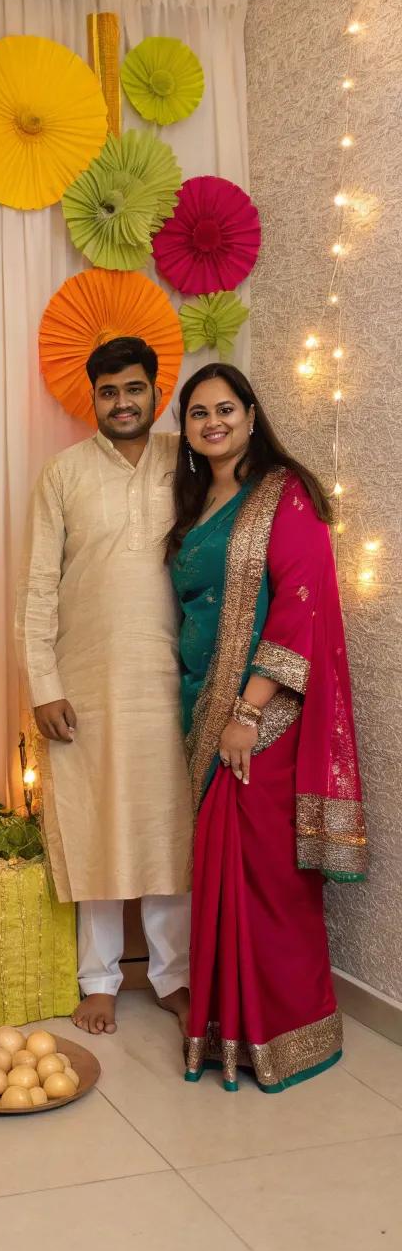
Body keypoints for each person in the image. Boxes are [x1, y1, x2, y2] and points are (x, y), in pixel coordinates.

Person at [169, 363, 366, 1091]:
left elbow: (299, 606)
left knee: (265, 878)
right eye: (198, 413)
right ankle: (230, 1035)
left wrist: (247, 712)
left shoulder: (285, 494)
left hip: (263, 721)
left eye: (226, 408)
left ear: (252, 416)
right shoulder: (196, 502)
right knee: (222, 876)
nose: (212, 421)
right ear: (186, 431)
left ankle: (288, 1033)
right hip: (201, 708)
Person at [16, 336, 193, 1035]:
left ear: (157, 392)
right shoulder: (61, 475)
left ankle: (172, 973)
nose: (122, 402)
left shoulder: (189, 462)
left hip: (172, 676)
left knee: (167, 826)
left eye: (134, 389)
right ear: (92, 398)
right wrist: (43, 684)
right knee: (95, 823)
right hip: (84, 680)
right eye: (109, 392)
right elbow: (37, 588)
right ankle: (99, 979)